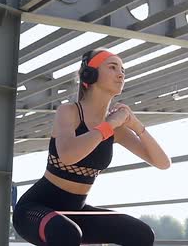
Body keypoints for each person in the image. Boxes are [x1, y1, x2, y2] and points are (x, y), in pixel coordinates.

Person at [12, 49, 171, 245]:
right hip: (34, 209)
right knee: (66, 233)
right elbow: (69, 156)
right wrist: (109, 125)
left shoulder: (116, 128)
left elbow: (163, 163)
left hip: (76, 212)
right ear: (90, 74)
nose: (121, 74)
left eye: (123, 70)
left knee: (142, 234)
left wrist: (136, 125)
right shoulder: (69, 112)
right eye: (112, 67)